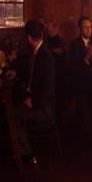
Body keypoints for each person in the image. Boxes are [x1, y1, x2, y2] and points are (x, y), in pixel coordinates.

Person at [14, 19, 56, 160]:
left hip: (43, 108)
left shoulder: (44, 55)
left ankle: (26, 152)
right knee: (14, 105)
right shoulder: (39, 52)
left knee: (13, 116)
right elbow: (34, 76)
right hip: (38, 102)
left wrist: (33, 101)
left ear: (29, 37)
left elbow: (48, 88)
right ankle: (21, 149)